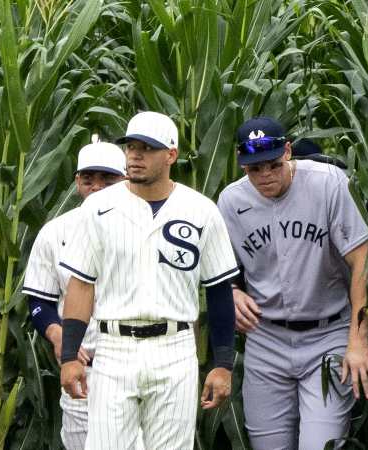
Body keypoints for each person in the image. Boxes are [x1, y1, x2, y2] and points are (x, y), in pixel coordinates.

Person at [56, 111, 241, 450]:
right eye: (131, 147)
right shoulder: (98, 207)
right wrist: (69, 355)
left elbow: (218, 291)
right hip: (113, 348)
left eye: (147, 148)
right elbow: (81, 285)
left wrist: (224, 364)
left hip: (175, 347)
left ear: (171, 154)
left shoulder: (201, 210)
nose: (135, 156)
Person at [216, 117, 368, 449]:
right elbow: (218, 272)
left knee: (322, 443)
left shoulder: (329, 184)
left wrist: (358, 339)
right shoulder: (231, 202)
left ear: (288, 151)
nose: (265, 175)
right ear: (240, 163)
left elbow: (363, 260)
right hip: (266, 339)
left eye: (273, 165)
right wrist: (230, 293)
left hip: (329, 335)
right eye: (254, 169)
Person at [21, 135, 135, 450]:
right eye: (88, 179)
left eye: (107, 178)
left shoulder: (145, 228)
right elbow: (38, 301)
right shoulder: (55, 232)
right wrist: (58, 335)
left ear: (126, 179)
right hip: (84, 368)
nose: (96, 186)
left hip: (134, 366)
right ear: (76, 182)